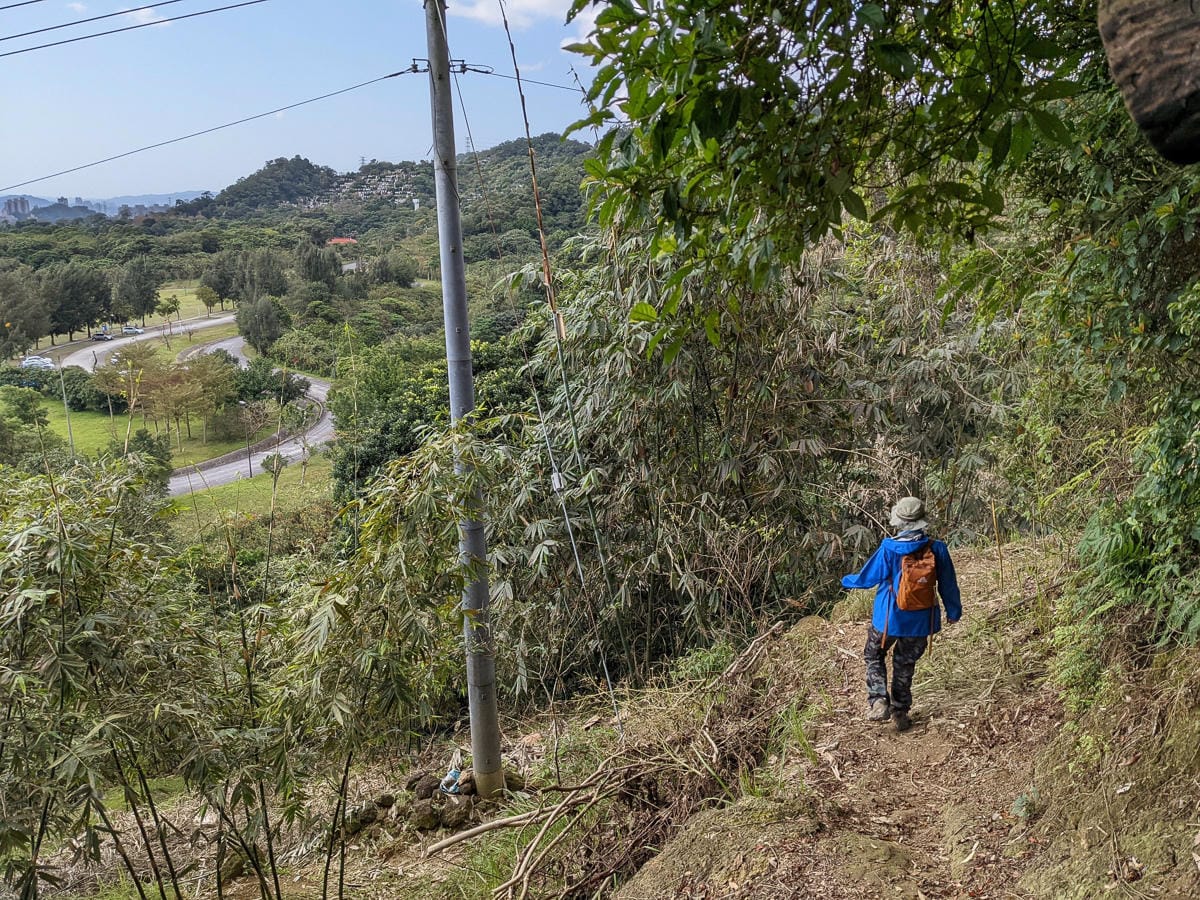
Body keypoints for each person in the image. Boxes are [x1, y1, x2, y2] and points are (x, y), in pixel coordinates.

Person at [840, 496, 961, 733]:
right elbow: (948, 584)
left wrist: (847, 580)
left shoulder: (889, 548)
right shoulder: (937, 549)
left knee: (873, 654)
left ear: (899, 521)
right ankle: (900, 712)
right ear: (922, 520)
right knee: (905, 663)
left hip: (888, 619)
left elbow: (868, 577)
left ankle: (878, 700)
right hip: (920, 621)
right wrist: (954, 612)